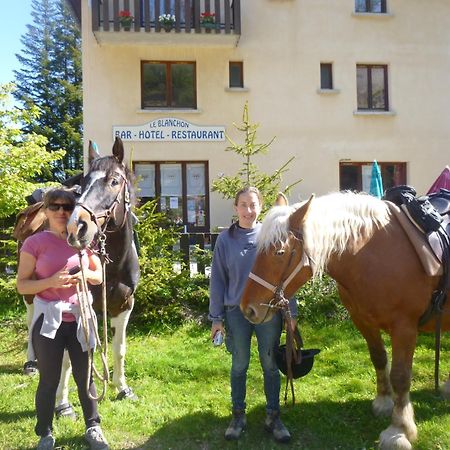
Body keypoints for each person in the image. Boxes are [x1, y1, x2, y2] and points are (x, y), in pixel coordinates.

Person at [16, 187, 109, 450]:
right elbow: (22, 285)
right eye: (54, 206)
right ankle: (45, 433)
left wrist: (84, 277)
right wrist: (51, 281)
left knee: (86, 377)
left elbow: (98, 276)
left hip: (80, 319)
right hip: (49, 321)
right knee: (49, 379)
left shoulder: (81, 239)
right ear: (45, 211)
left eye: (66, 207)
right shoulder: (34, 244)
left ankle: (93, 427)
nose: (61, 211)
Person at [209, 186, 297, 443]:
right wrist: (216, 319)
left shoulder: (271, 236)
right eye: (243, 205)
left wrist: (291, 314)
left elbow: (286, 277)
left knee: (270, 365)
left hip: (269, 312)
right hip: (237, 312)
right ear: (236, 208)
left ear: (261, 208)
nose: (248, 210)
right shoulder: (225, 240)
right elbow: (218, 281)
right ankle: (238, 416)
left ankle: (273, 416)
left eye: (253, 205)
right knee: (239, 365)